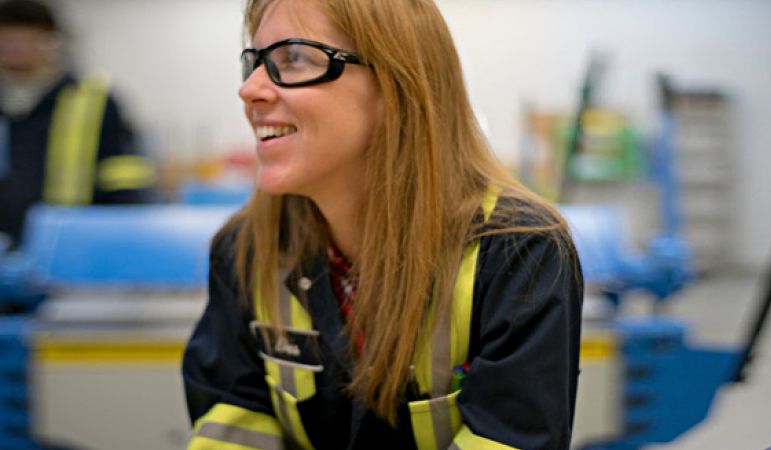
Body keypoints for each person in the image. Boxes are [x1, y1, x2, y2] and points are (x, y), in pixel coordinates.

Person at [182, 0, 583, 449]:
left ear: (396, 85)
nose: (250, 89)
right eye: (254, 62)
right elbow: (234, 421)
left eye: (293, 58)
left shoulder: (519, 254)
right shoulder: (246, 248)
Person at [0, 0, 155, 249]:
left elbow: (126, 179)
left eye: (26, 40)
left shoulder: (94, 100)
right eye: (7, 42)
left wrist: (117, 239)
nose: (16, 51)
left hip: (72, 248)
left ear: (51, 42)